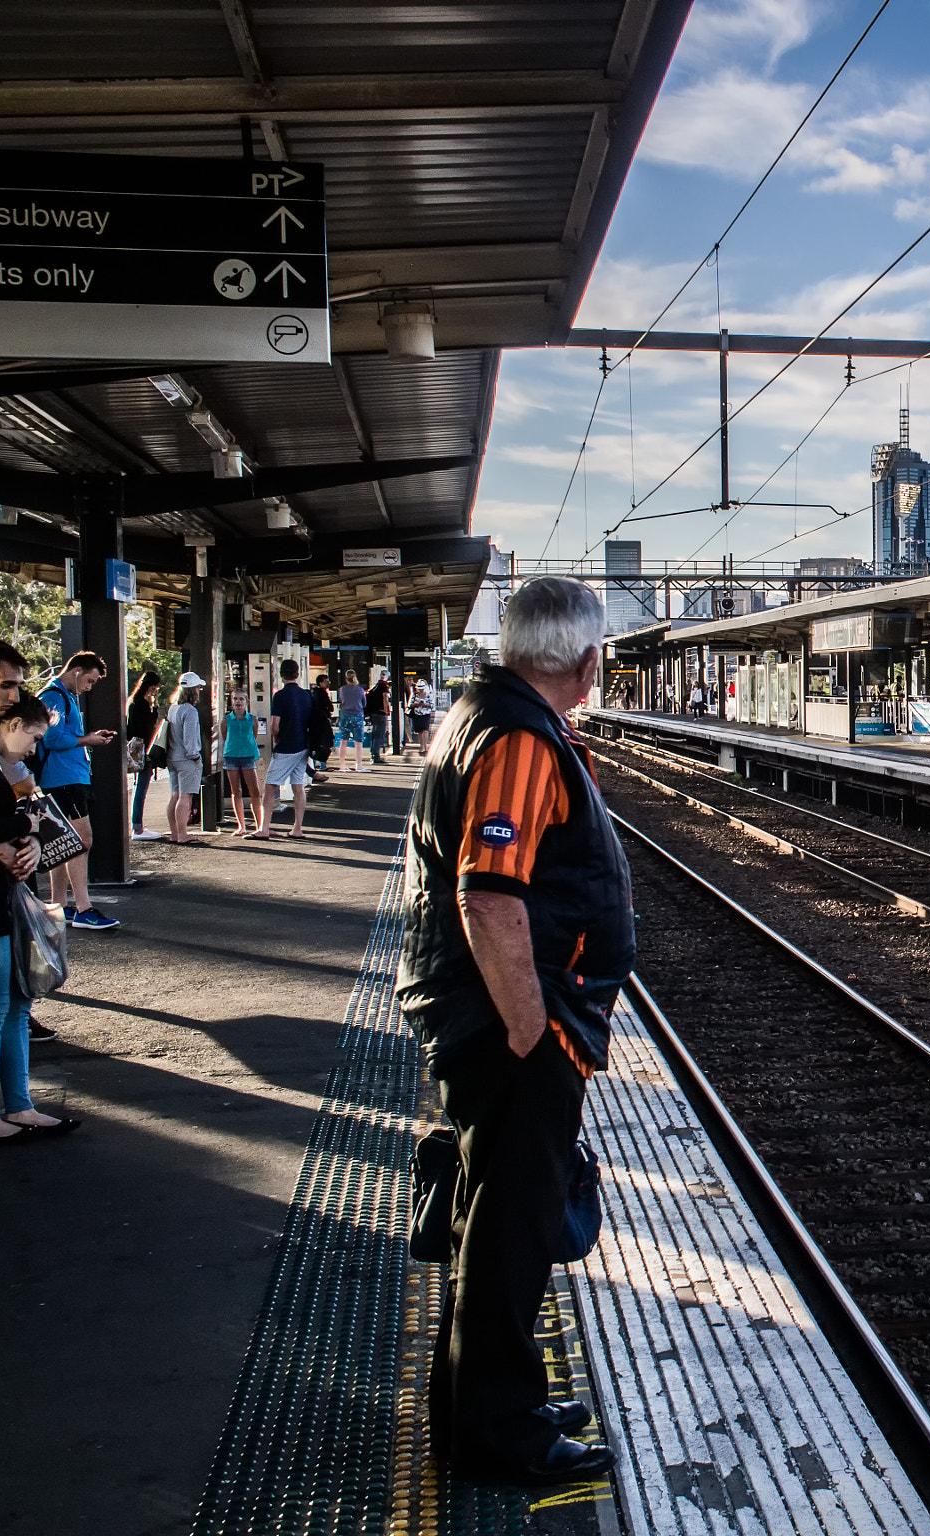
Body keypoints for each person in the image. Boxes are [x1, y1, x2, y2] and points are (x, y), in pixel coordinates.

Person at [396, 576, 631, 1486]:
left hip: (494, 1015)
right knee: (507, 1230)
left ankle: (488, 1402)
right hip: (509, 1027)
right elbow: (489, 895)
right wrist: (533, 1036)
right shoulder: (517, 741)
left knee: (492, 1218)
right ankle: (497, 1436)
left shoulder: (488, 720)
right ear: (585, 660)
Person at [0, 681, 74, 1146]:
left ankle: (18, 1104)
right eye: (32, 738)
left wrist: (25, 837)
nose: (33, 751)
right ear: (11, 725)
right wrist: (26, 825)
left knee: (13, 1005)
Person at [39, 651, 119, 931]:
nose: (89, 687)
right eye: (89, 680)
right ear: (76, 671)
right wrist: (89, 740)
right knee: (81, 839)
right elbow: (52, 737)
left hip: (67, 777)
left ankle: (58, 905)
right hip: (64, 779)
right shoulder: (54, 697)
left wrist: (89, 738)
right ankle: (84, 908)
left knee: (63, 843)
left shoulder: (64, 697)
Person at [256, 659, 316, 840]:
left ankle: (264, 828)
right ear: (298, 674)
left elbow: (275, 726)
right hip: (303, 746)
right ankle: (297, 828)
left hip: (286, 747)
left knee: (270, 786)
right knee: (298, 786)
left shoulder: (280, 696)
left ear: (281, 675)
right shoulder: (306, 695)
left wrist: (276, 742)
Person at [162, 673, 209, 845]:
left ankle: (175, 833)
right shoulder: (190, 711)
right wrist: (196, 757)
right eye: (198, 687)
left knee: (174, 795)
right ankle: (183, 834)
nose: (199, 690)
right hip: (187, 759)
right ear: (193, 690)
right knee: (185, 796)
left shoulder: (173, 708)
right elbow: (190, 738)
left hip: (172, 757)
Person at [219, 685, 262, 836]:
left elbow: (254, 736)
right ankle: (241, 826)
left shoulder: (252, 719)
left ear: (246, 702)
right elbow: (225, 736)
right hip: (231, 757)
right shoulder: (226, 720)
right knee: (236, 791)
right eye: (235, 699)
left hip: (248, 757)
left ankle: (259, 825)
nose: (238, 702)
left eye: (241, 699)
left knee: (254, 792)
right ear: (231, 702)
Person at [126, 670, 164, 842]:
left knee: (138, 787)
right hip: (144, 749)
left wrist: (154, 705)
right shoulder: (141, 704)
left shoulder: (133, 703)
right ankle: (137, 827)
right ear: (151, 686)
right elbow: (149, 726)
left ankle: (137, 825)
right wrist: (154, 706)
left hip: (136, 748)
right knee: (142, 787)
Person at [334, 668, 369, 771]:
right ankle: (358, 765)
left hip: (345, 715)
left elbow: (342, 700)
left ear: (346, 678)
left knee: (343, 741)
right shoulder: (360, 690)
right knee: (358, 742)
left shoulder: (342, 689)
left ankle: (342, 765)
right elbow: (364, 704)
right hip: (357, 715)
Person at [308, 674, 336, 780]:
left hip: (317, 721)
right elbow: (329, 706)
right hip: (323, 720)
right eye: (326, 681)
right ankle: (322, 765)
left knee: (318, 743)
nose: (328, 682)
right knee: (324, 742)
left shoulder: (314, 693)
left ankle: (316, 765)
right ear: (320, 682)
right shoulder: (321, 694)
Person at [367, 670, 393, 765]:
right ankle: (376, 756)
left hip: (373, 713)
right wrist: (386, 710)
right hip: (381, 713)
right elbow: (385, 698)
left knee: (375, 734)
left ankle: (373, 754)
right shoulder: (384, 686)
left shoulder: (376, 686)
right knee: (379, 735)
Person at [408, 679, 437, 753]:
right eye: (419, 688)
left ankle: (425, 746)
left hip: (426, 714)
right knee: (420, 731)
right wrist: (417, 704)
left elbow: (432, 705)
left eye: (422, 688)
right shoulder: (414, 694)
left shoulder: (429, 695)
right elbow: (410, 704)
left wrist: (424, 704)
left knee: (425, 730)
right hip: (417, 714)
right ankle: (421, 746)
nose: (420, 690)